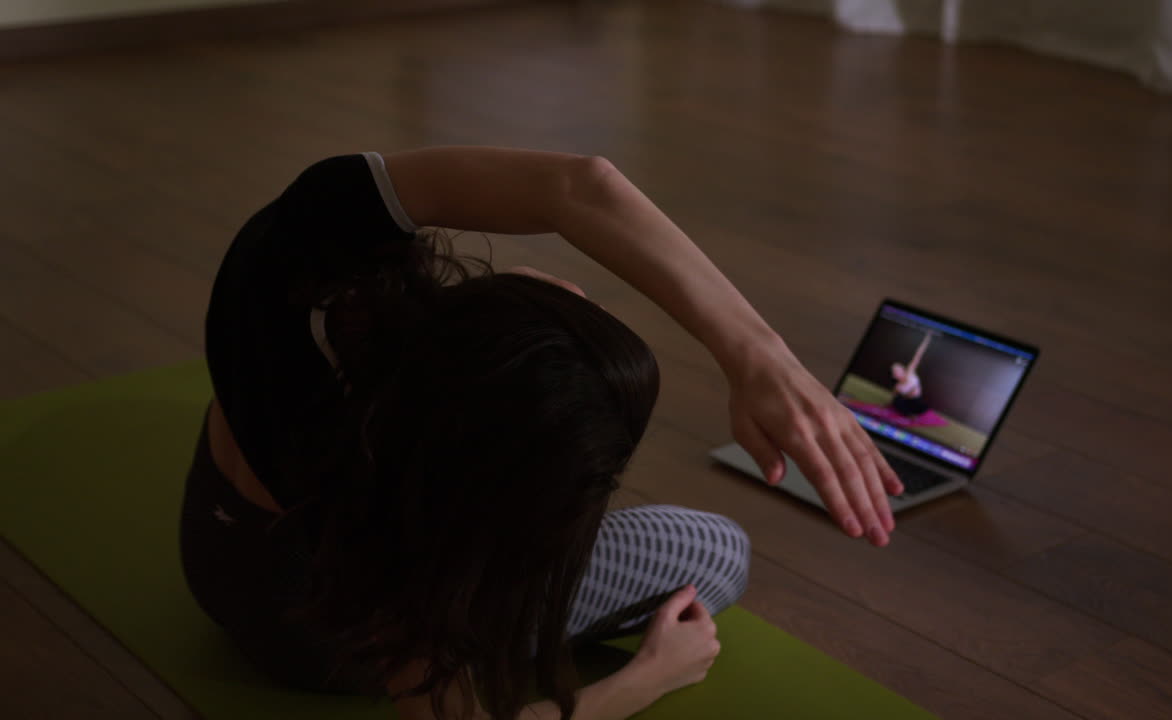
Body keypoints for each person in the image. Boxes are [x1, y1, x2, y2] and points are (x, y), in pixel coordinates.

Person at [179, 148, 904, 720]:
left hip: (213, 546)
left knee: (556, 300)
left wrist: (759, 355)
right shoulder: (397, 554)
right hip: (312, 639)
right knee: (716, 551)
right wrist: (646, 679)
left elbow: (581, 186)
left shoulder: (296, 251)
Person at [889, 331, 933, 417]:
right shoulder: (898, 386)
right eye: (896, 372)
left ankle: (913, 413)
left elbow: (918, 354)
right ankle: (908, 414)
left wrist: (927, 338)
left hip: (916, 401)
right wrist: (906, 394)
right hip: (907, 402)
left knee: (923, 408)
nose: (898, 372)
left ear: (903, 369)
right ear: (894, 376)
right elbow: (895, 396)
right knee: (897, 402)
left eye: (899, 369)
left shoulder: (909, 372)